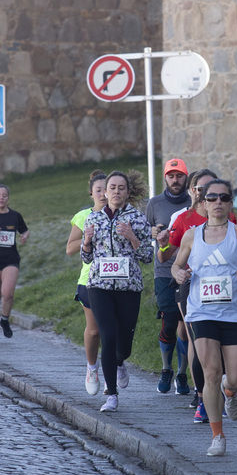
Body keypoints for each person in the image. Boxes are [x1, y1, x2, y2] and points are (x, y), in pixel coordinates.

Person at [172, 179, 237, 456]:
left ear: (230, 203)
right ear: (202, 203)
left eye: (223, 198)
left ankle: (230, 391)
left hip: (234, 314)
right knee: (211, 372)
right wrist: (180, 274)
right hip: (201, 312)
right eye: (211, 198)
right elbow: (177, 265)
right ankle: (217, 435)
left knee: (236, 378)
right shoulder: (191, 235)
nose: (217, 203)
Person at [164, 168, 237, 424]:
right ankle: (202, 396)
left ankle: (224, 389)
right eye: (207, 193)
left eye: (222, 196)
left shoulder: (234, 222)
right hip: (193, 288)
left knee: (224, 348)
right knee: (198, 342)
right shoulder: (184, 220)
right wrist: (175, 266)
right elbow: (167, 256)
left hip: (228, 292)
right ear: (198, 195)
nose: (216, 200)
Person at [81, 170, 153, 412]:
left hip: (128, 287)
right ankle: (111, 395)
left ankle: (121, 361)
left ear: (128, 192)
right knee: (107, 337)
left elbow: (147, 256)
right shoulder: (93, 219)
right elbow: (86, 258)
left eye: (121, 188)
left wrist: (132, 238)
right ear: (104, 191)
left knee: (124, 343)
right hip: (99, 286)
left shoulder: (138, 219)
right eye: (111, 187)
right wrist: (87, 243)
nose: (115, 192)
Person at [145, 158, 193, 395]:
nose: (175, 180)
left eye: (180, 176)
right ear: (165, 177)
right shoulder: (154, 204)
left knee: (185, 326)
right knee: (169, 320)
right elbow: (145, 233)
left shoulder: (193, 203)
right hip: (164, 271)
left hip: (190, 271)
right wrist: (153, 232)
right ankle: (166, 369)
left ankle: (182, 374)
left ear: (186, 177)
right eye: (171, 176)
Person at [66, 170, 108, 393]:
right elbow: (70, 249)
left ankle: (117, 365)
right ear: (91, 193)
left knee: (115, 329)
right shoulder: (83, 216)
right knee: (94, 331)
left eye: (106, 190)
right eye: (98, 190)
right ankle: (92, 367)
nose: (103, 195)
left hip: (116, 280)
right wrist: (87, 237)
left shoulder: (122, 215)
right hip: (90, 279)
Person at [0, 184, 29, 342]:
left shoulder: (15, 216)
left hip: (11, 259)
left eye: (4, 195)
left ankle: (5, 319)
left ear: (8, 198)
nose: (1, 198)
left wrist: (24, 236)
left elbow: (24, 229)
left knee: (8, 293)